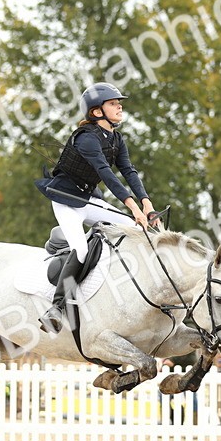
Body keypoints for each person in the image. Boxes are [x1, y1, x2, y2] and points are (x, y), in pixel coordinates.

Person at [34, 82, 158, 333]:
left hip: (89, 199)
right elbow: (107, 174)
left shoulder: (116, 138)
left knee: (132, 230)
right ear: (97, 112)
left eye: (118, 102)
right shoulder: (86, 139)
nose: (119, 106)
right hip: (66, 198)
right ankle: (56, 308)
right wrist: (132, 206)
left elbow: (128, 171)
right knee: (79, 249)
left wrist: (147, 203)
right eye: (113, 103)